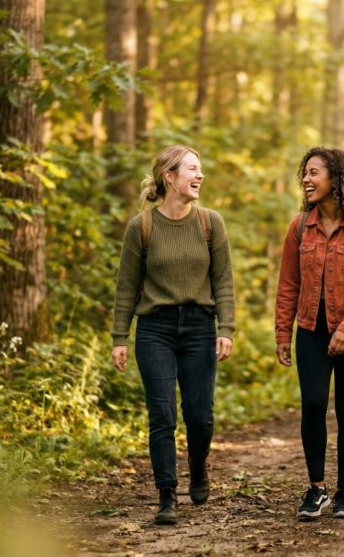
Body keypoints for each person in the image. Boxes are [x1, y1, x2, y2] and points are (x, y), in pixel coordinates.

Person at [110, 145, 235, 526]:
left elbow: (223, 281)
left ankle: (198, 468)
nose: (199, 176)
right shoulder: (141, 226)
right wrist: (119, 336)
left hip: (199, 327)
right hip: (155, 330)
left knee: (200, 418)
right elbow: (126, 286)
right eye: (192, 169)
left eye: (201, 169)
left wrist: (226, 328)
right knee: (161, 416)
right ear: (170, 176)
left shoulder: (210, 223)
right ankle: (167, 495)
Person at [274, 146, 344, 520]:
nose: (306, 178)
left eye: (314, 172)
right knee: (314, 404)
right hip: (311, 332)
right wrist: (281, 333)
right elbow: (287, 283)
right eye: (304, 172)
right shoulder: (300, 225)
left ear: (336, 178)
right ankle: (316, 488)